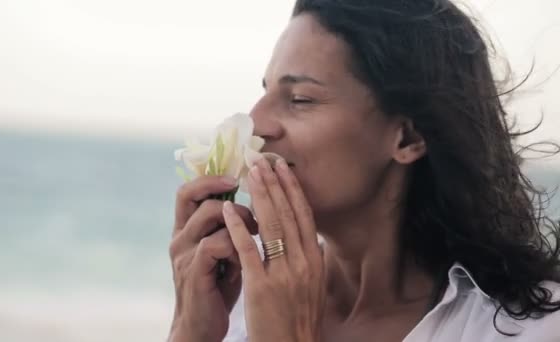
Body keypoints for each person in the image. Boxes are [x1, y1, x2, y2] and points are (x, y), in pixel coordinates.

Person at [167, 0, 560, 341]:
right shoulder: (238, 303)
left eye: (300, 99)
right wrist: (189, 330)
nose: (255, 121)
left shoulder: (531, 329)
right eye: (265, 90)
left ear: (407, 137)